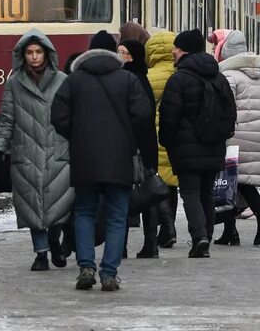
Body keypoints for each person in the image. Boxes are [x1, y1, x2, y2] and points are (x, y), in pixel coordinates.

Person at [52, 45, 151, 292]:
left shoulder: (74, 81)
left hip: (84, 156)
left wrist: (76, 136)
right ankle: (109, 274)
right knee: (117, 216)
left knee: (84, 211)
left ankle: (86, 267)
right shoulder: (127, 79)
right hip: (119, 157)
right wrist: (133, 142)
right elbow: (143, 115)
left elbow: (58, 116)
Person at [0, 30, 74, 270]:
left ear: (47, 54)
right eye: (29, 52)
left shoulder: (62, 81)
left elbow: (71, 116)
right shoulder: (14, 84)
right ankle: (41, 253)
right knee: (32, 205)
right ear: (22, 55)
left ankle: (54, 242)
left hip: (57, 150)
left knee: (57, 203)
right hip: (26, 151)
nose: (34, 57)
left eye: (38, 52)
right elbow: (7, 119)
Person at [158, 29, 237, 258]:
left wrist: (167, 141)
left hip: (186, 149)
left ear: (185, 50)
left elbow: (169, 117)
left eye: (177, 47)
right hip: (214, 146)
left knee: (190, 193)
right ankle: (206, 239)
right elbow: (230, 112)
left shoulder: (179, 79)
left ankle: (199, 237)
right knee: (207, 194)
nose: (173, 51)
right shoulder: (219, 77)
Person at [211, 29, 260, 246]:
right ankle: (231, 231)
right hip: (255, 134)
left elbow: (223, 106)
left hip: (234, 136)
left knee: (236, 183)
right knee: (237, 183)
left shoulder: (228, 75)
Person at [118, 36, 161, 258]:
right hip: (146, 145)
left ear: (131, 56)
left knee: (127, 195)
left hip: (134, 146)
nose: (119, 56)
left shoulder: (128, 81)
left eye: (122, 52)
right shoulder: (142, 79)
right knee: (146, 194)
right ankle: (150, 244)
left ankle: (123, 246)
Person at [146, 30, 180, 248]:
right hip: (174, 134)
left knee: (155, 182)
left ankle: (164, 227)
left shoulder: (148, 77)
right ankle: (171, 226)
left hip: (153, 134)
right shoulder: (179, 75)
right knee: (172, 184)